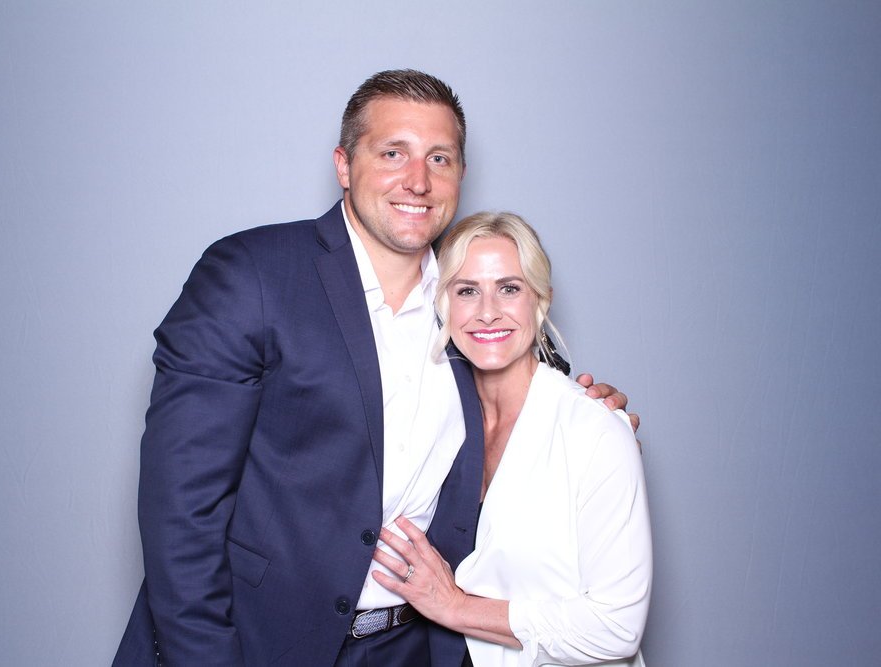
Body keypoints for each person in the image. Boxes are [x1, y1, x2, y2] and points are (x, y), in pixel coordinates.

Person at [113, 70, 636, 667]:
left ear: (460, 175)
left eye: (440, 158)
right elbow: (181, 511)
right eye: (394, 153)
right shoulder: (251, 275)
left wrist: (591, 420)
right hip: (254, 643)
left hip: (412, 648)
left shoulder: (473, 307)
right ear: (344, 164)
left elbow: (531, 426)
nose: (418, 180)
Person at [371, 211, 651, 666]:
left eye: (509, 288)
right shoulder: (437, 421)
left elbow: (617, 629)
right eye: (466, 291)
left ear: (541, 301)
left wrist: (456, 606)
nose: (487, 311)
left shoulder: (594, 430)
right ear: (441, 304)